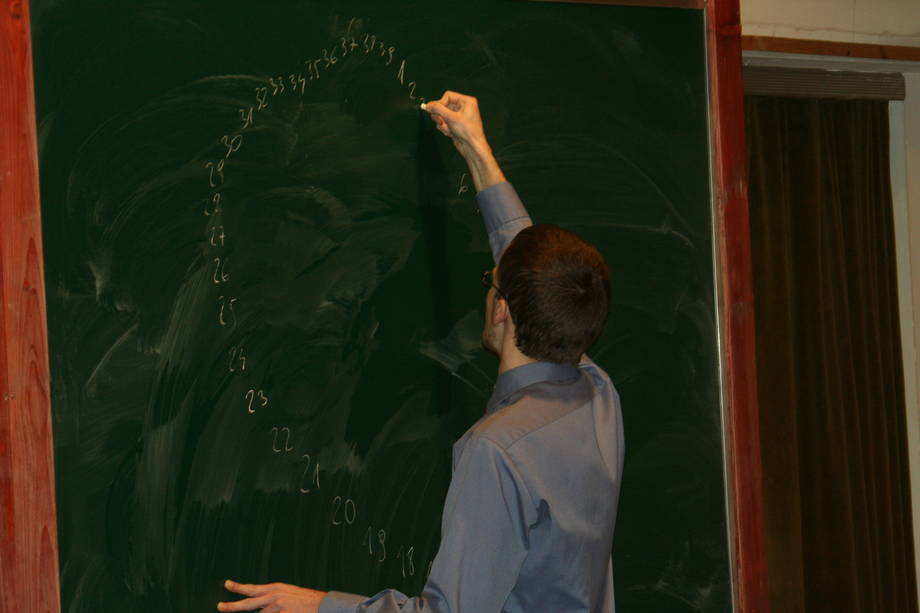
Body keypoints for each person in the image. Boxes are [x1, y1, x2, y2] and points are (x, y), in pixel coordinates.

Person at [217, 91, 624, 613]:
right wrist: (477, 150)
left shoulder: (495, 452)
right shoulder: (597, 396)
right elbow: (534, 274)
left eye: (491, 282)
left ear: (502, 310)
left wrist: (318, 605)